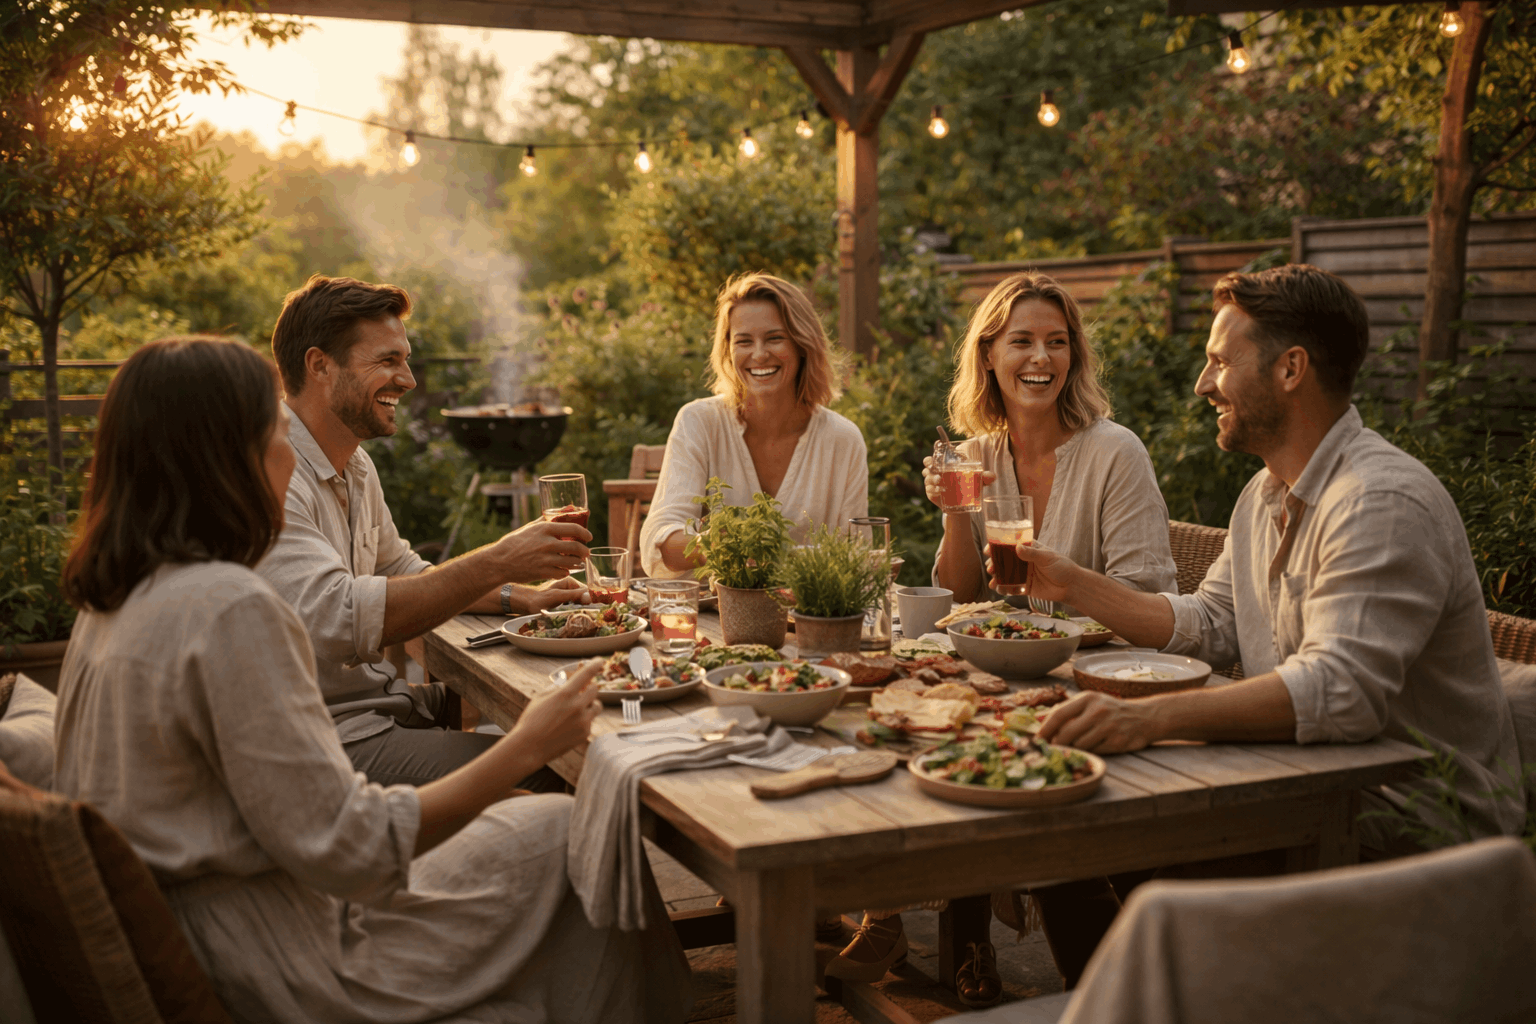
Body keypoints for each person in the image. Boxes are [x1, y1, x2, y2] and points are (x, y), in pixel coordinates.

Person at [53, 336, 691, 1023]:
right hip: (284, 961)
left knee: (558, 829)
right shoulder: (230, 608)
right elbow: (352, 847)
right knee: (572, 830)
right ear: (217, 460)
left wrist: (510, 595)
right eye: (272, 434)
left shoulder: (115, 602)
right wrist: (528, 743)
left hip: (205, 931)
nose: (286, 455)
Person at [1015, 263, 1524, 983]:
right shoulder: (1264, 494)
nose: (1202, 384)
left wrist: (1145, 721)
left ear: (1291, 369)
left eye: (1220, 361)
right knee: (1053, 836)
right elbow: (1213, 622)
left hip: (1407, 829)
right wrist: (1074, 585)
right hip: (1298, 789)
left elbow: (1338, 692)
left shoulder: (1379, 502)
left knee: (1102, 852)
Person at [826, 271, 1178, 1003]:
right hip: (1007, 669)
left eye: (1057, 342)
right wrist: (957, 510)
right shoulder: (980, 454)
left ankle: (1109, 990)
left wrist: (1065, 582)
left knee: (1001, 770)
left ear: (1074, 356)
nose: (1040, 357)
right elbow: (960, 595)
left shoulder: (1115, 453)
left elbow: (1151, 599)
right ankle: (964, 939)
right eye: (1022, 341)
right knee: (923, 735)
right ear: (989, 354)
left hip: (1097, 676)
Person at [258, 275, 591, 787]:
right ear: (320, 365)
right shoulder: (275, 472)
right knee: (564, 771)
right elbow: (339, 621)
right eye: (388, 360)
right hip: (323, 743)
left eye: (405, 359)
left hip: (378, 703)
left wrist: (516, 596)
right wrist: (500, 558)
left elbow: (401, 571)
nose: (409, 379)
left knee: (568, 725)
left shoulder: (356, 465)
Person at [639, 272, 869, 577]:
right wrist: (731, 544)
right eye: (744, 341)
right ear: (728, 350)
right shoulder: (699, 422)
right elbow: (661, 539)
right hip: (711, 617)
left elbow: (860, 558)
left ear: (802, 344)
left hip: (809, 618)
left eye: (775, 338)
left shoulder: (843, 439)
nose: (759, 355)